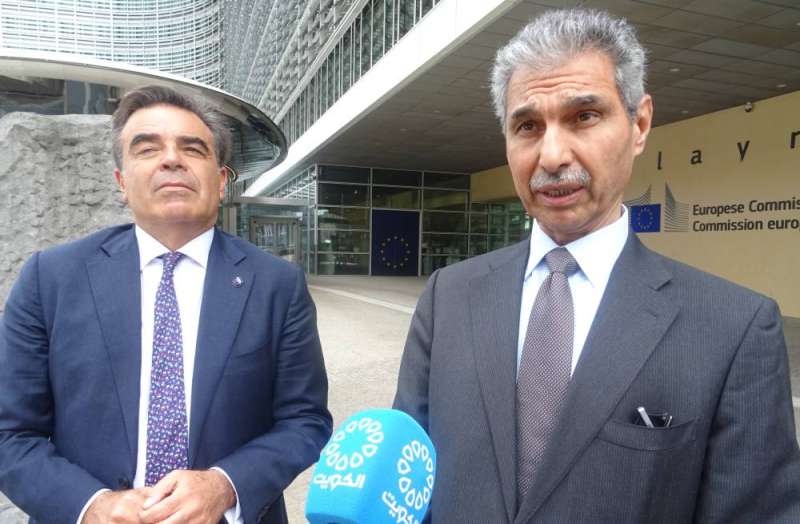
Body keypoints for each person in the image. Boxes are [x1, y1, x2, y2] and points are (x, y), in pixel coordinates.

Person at [394, 9, 800, 523]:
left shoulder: (733, 329)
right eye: (527, 126)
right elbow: (406, 480)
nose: (552, 156)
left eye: (584, 116)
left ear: (639, 124)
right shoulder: (448, 296)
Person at [0, 85, 332, 524]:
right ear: (121, 182)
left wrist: (225, 485)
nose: (172, 159)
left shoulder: (277, 285)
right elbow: (10, 432)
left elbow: (305, 420)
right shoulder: (50, 279)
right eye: (147, 148)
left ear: (221, 181)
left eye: (192, 148)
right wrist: (91, 505)